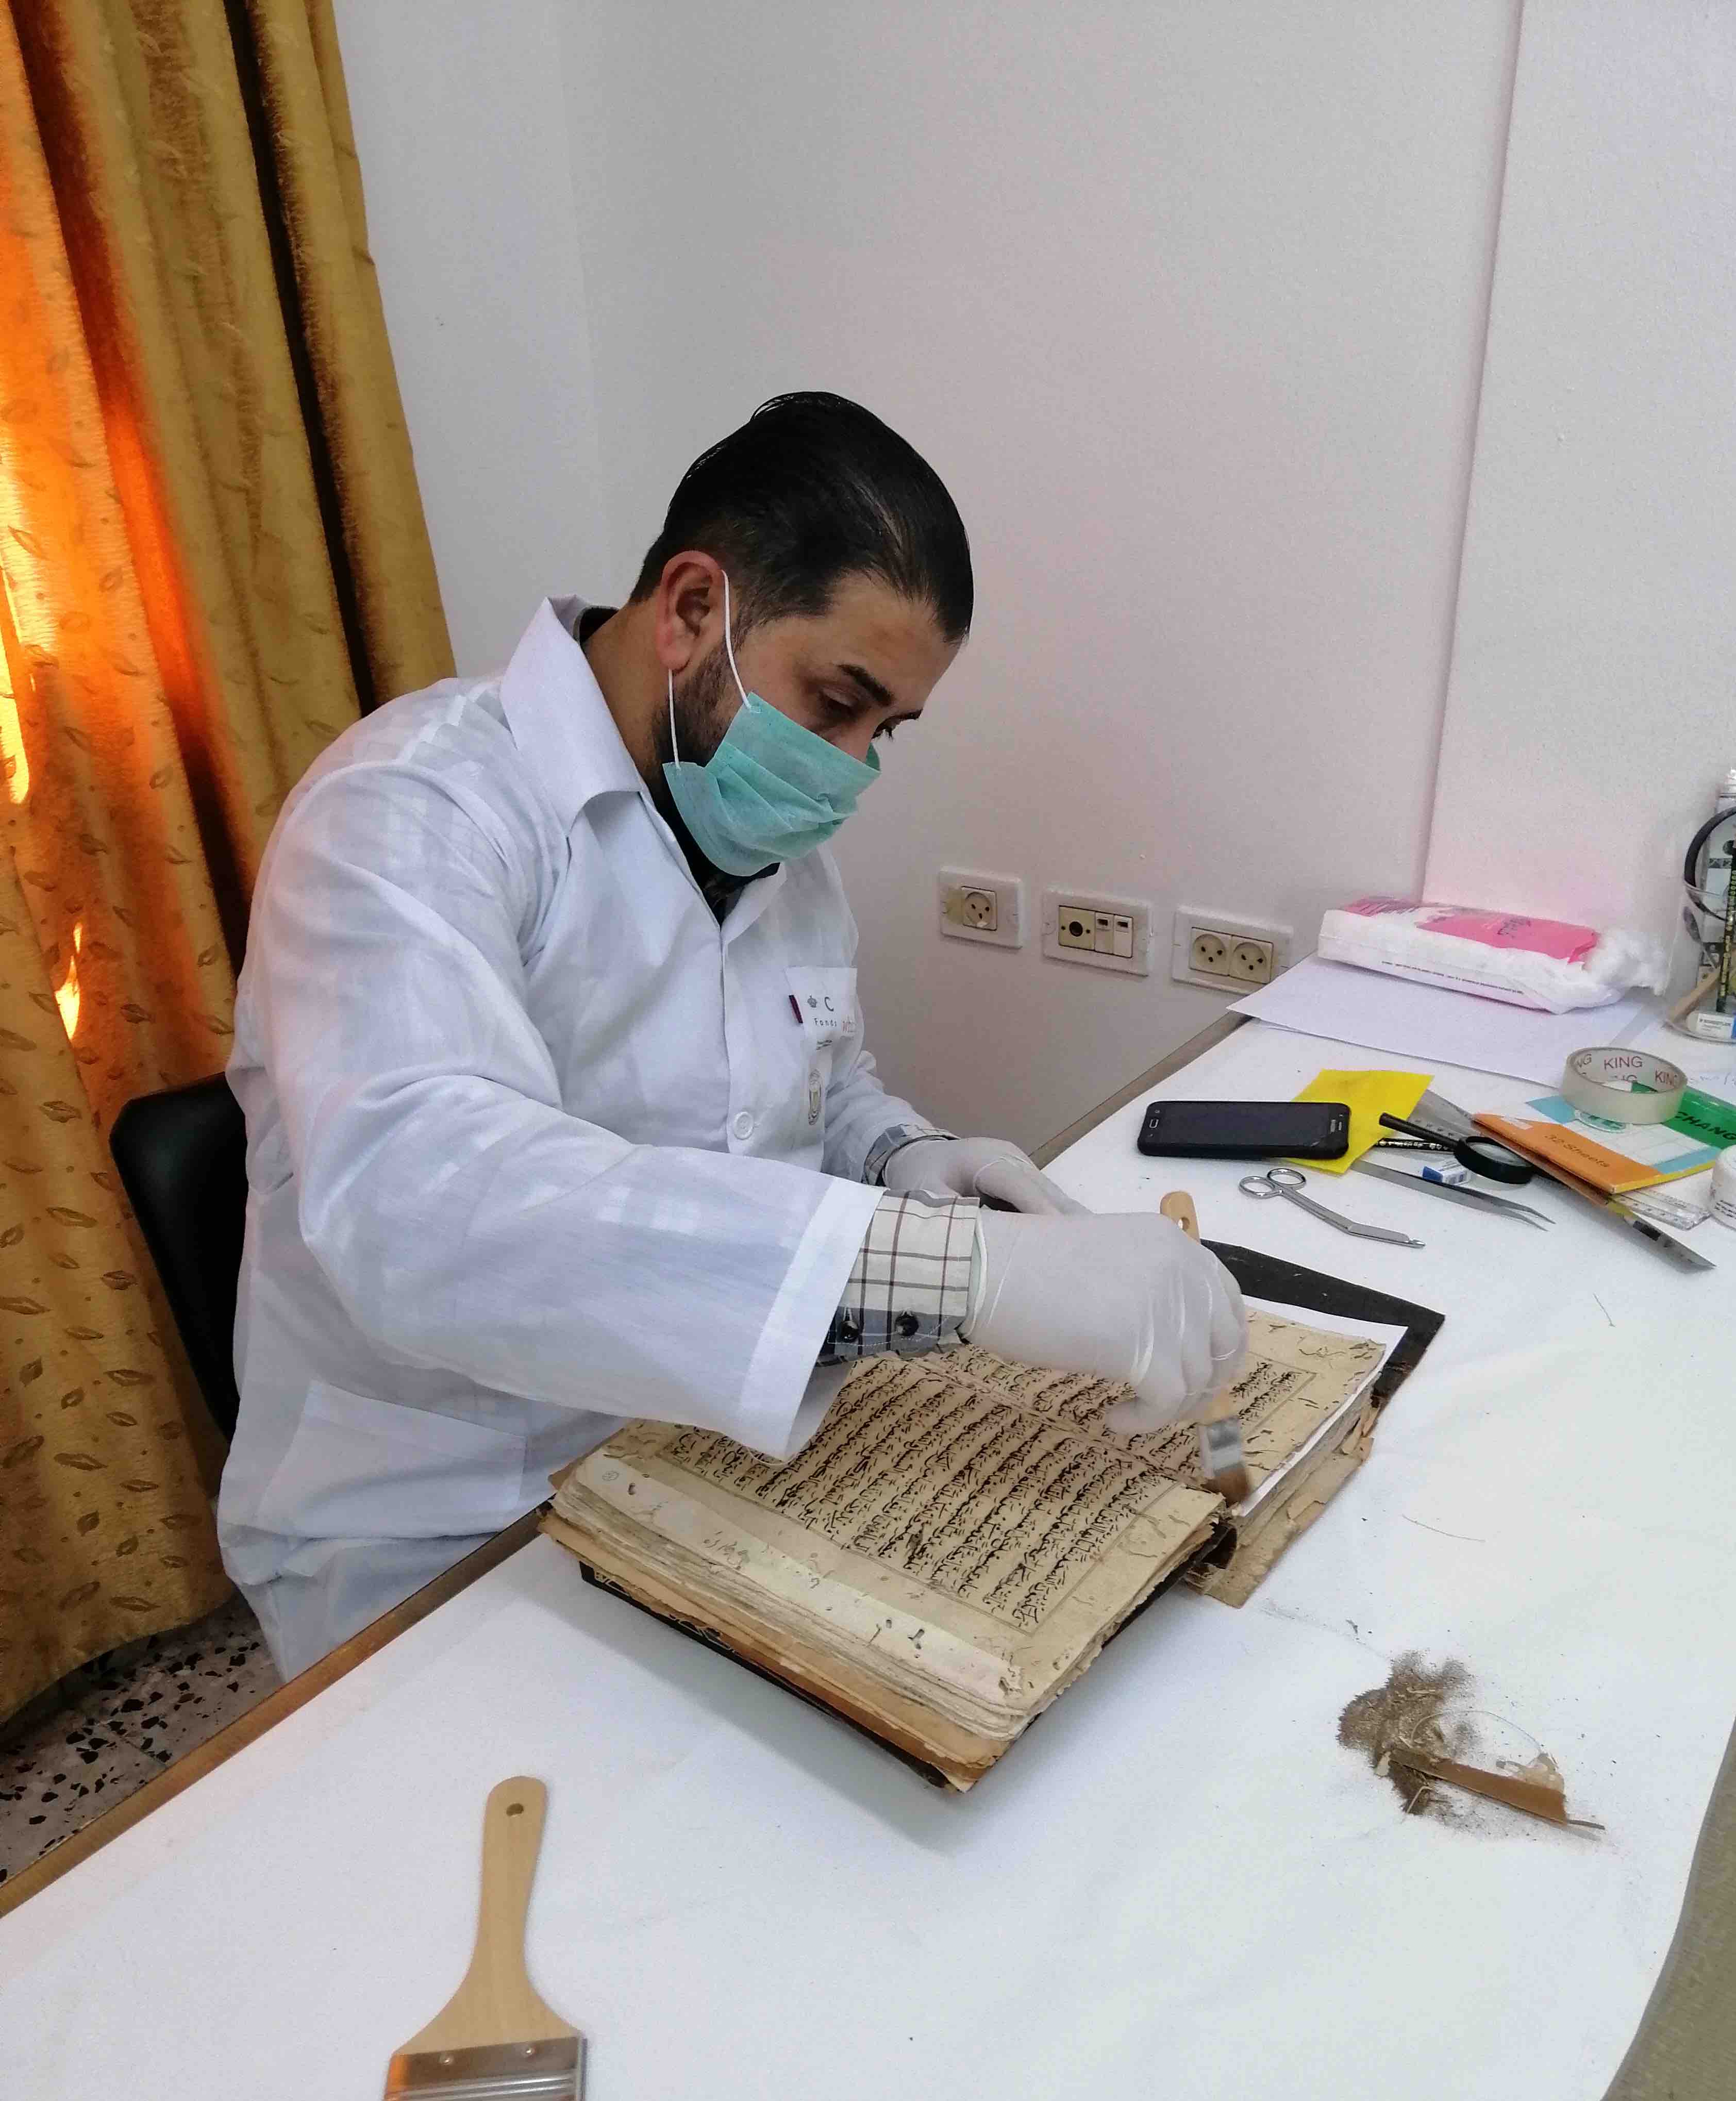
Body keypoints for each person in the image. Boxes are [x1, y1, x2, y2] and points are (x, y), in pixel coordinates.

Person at [219, 393, 1246, 1676]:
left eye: (887, 734)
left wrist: (913, 1161)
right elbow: (432, 1204)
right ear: (695, 610)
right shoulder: (413, 810)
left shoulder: (759, 834)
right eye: (838, 702)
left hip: (698, 1456)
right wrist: (961, 1278)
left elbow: (824, 1086)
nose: (853, 770)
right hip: (443, 1523)